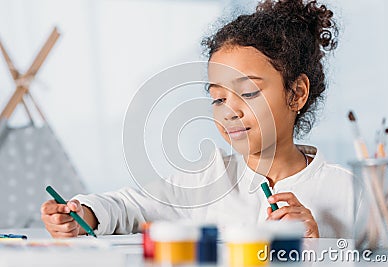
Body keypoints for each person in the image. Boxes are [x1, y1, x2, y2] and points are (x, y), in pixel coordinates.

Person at [41, 0, 353, 239]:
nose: (229, 111)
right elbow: (130, 206)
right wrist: (83, 214)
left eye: (248, 92)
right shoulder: (209, 179)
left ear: (296, 93)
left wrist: (318, 247)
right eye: (218, 98)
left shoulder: (347, 190)